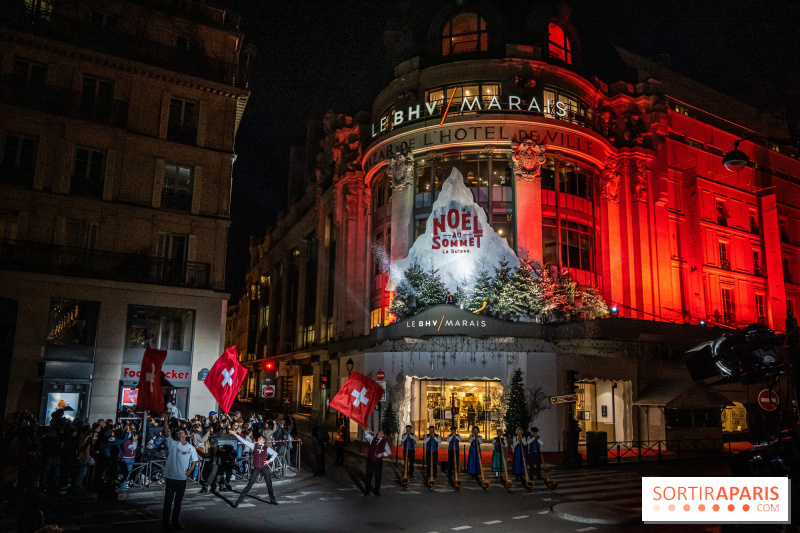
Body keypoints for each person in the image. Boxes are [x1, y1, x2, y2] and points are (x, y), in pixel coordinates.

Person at [161, 412, 198, 531]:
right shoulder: (173, 444)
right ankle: (165, 523)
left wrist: (190, 471)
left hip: (182, 478)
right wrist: (165, 418)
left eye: (181, 432)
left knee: (178, 503)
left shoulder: (190, 448)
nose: (179, 434)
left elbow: (195, 460)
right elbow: (166, 433)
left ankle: (175, 522)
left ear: (186, 434)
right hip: (171, 477)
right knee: (168, 501)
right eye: (178, 432)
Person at [232, 431, 278, 507]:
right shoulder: (254, 446)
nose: (258, 438)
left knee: (269, 484)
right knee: (250, 484)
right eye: (259, 438)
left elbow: (275, 454)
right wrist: (236, 434)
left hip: (264, 467)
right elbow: (244, 441)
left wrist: (269, 460)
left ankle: (273, 500)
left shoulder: (266, 448)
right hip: (256, 467)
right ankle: (238, 502)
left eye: (260, 438)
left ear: (263, 441)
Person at [363, 429, 391, 496]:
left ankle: (377, 491)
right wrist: (367, 431)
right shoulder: (372, 438)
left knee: (378, 477)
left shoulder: (385, 443)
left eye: (381, 433)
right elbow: (367, 435)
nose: (379, 433)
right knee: (368, 476)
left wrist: (382, 454)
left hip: (378, 462)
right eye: (378, 432)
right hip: (371, 460)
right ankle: (367, 491)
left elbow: (389, 451)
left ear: (383, 435)